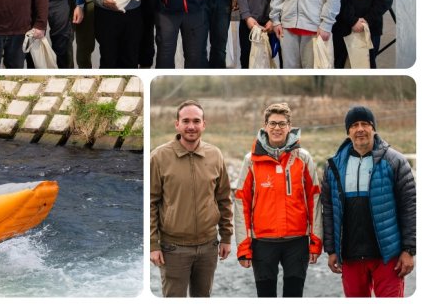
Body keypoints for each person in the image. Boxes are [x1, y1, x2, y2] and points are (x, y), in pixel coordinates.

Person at [321, 106, 416, 297]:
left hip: (388, 257)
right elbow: (329, 210)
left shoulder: (396, 161)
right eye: (354, 125)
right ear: (348, 131)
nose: (360, 129)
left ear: (374, 128)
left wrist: (409, 250)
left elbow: (410, 208)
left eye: (365, 124)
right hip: (350, 256)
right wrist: (331, 250)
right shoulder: (333, 167)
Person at [234, 103, 323, 297]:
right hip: (263, 243)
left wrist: (316, 241)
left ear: (289, 126)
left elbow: (314, 199)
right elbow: (241, 202)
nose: (277, 128)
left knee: (294, 295)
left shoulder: (303, 158)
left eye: (282, 124)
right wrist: (243, 246)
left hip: (297, 242)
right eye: (272, 123)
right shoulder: (251, 160)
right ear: (265, 126)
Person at [150, 100, 232, 297]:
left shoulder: (215, 155)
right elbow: (150, 203)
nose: (191, 126)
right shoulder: (159, 157)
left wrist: (227, 237)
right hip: (173, 249)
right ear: (176, 124)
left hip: (208, 247)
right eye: (185, 121)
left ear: (204, 124)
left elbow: (223, 199)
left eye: (196, 121)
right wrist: (153, 245)